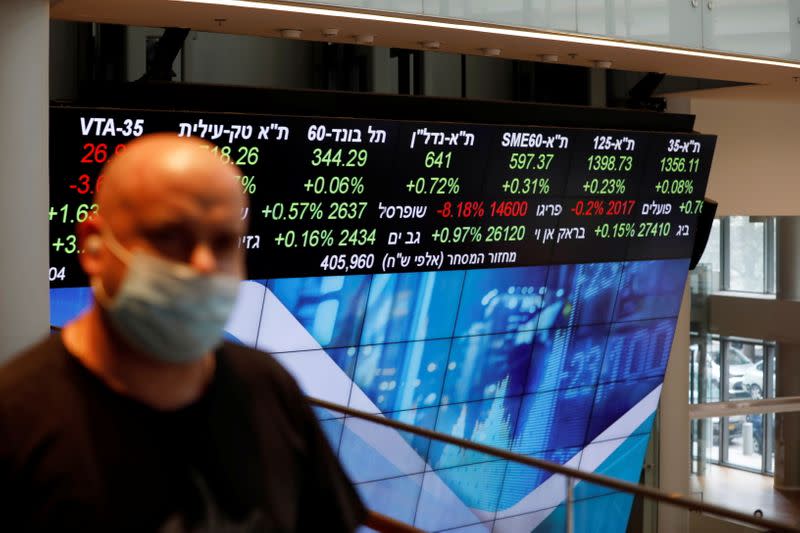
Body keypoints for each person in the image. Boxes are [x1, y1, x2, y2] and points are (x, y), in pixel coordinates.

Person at [0, 133, 366, 532]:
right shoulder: (16, 423)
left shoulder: (268, 388)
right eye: (170, 236)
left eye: (224, 242)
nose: (204, 266)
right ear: (94, 245)